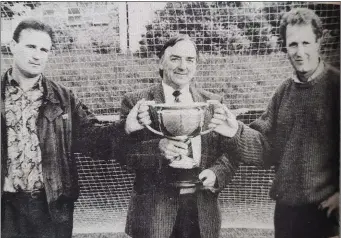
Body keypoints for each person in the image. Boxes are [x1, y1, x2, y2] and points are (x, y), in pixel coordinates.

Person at [1, 18, 144, 238]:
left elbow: (93, 139)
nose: (37, 55)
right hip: (5, 207)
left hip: (51, 207)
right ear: (13, 46)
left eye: (44, 49)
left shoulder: (64, 98)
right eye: (30, 46)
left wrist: (124, 127)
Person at [208, 8, 340, 238]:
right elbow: (266, 148)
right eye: (292, 44)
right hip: (286, 210)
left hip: (327, 212)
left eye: (306, 43)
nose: (299, 52)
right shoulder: (284, 91)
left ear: (319, 42)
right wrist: (234, 131)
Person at [117, 34, 239, 238]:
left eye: (190, 60)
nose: (183, 66)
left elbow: (232, 152)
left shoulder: (213, 102)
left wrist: (217, 172)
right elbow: (123, 153)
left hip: (202, 213)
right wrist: (158, 148)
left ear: (196, 65)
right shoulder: (136, 102)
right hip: (153, 215)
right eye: (175, 58)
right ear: (161, 62)